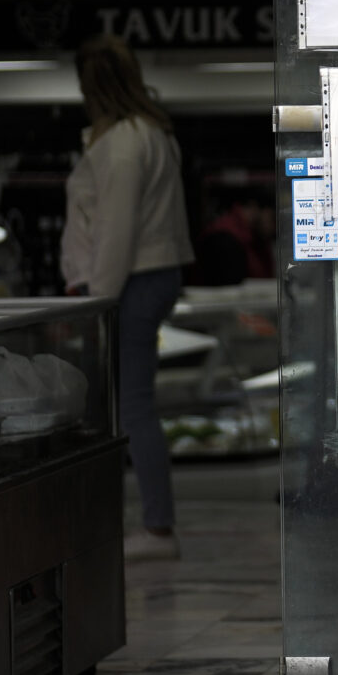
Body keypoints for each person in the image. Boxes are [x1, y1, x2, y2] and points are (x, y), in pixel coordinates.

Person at [59, 35, 193, 560]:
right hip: (150, 276)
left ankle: (158, 530)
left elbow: (115, 231)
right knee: (132, 403)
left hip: (130, 281)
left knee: (132, 405)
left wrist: (98, 301)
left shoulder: (122, 146)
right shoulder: (152, 134)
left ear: (92, 87)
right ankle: (153, 524)